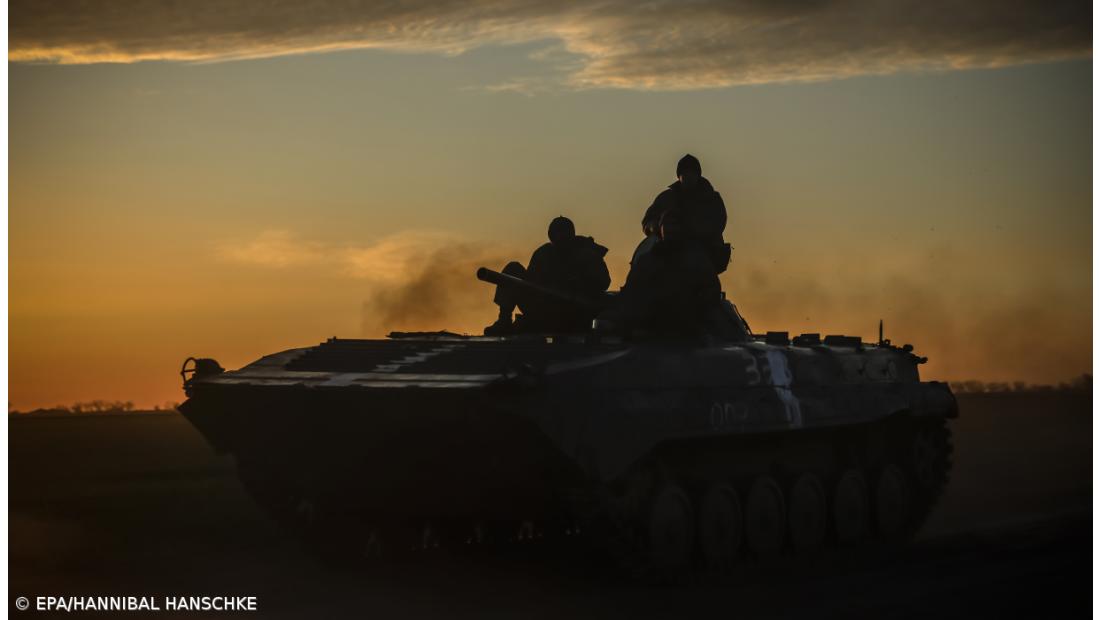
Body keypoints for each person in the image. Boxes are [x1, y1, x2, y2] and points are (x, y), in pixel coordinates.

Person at [485, 216, 611, 335]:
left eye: (563, 233)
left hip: (573, 312)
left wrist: (577, 282)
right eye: (557, 234)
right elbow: (530, 282)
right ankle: (504, 320)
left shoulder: (587, 254)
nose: (560, 238)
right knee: (513, 269)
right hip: (544, 307)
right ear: (550, 235)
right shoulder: (544, 253)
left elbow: (604, 282)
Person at [615, 208, 722, 333]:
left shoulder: (696, 260)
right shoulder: (647, 261)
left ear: (682, 229)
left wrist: (694, 312)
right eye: (666, 224)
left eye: (675, 224)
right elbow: (631, 293)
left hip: (688, 332)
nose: (670, 229)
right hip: (649, 331)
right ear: (660, 229)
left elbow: (711, 292)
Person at [636, 154, 729, 273]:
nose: (688, 176)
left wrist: (690, 230)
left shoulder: (711, 198)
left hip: (703, 251)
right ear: (679, 175)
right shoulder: (666, 198)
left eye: (692, 173)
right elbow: (648, 221)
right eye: (685, 173)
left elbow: (718, 224)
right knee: (644, 266)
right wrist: (655, 228)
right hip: (668, 249)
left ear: (698, 175)